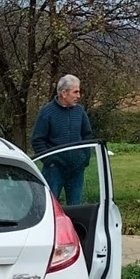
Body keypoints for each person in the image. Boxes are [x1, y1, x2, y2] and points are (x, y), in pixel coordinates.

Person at [31, 74, 94, 205]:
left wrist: (84, 158)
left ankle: (73, 226)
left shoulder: (80, 111)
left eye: (79, 91)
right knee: (51, 206)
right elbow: (37, 140)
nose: (79, 96)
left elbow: (87, 135)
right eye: (75, 92)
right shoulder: (47, 112)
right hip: (55, 170)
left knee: (76, 207)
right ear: (64, 93)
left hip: (76, 169)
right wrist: (50, 161)